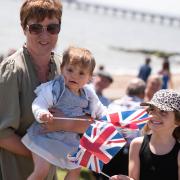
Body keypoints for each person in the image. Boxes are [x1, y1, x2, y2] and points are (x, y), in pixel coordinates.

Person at [0, 1, 92, 180]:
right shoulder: (11, 71)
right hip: (13, 172)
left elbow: (89, 122)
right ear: (23, 28)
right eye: (35, 28)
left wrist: (61, 125)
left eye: (52, 28)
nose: (44, 35)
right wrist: (45, 153)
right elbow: (2, 135)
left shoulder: (66, 68)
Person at [21, 46, 107, 180]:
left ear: (89, 77)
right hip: (46, 136)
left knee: (76, 168)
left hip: (68, 140)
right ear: (62, 69)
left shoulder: (88, 94)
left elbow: (100, 110)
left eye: (81, 73)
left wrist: (108, 118)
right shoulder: (55, 88)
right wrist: (42, 113)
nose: (74, 76)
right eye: (70, 70)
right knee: (41, 171)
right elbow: (39, 102)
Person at [110, 89, 180, 180]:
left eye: (163, 112)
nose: (154, 115)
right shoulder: (137, 145)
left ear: (177, 121)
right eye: (152, 109)